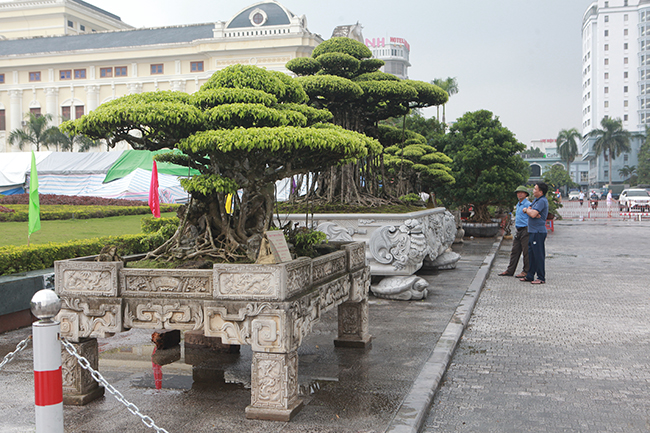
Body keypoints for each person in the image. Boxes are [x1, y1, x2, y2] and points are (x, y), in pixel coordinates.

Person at [498, 186, 531, 277]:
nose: (519, 194)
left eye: (521, 192)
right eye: (518, 192)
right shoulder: (518, 204)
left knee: (526, 252)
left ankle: (526, 271)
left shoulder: (528, 204)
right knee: (514, 251)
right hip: (518, 229)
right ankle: (510, 270)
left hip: (526, 229)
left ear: (525, 194)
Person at [520, 182, 549, 284]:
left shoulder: (542, 201)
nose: (533, 190)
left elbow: (532, 213)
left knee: (538, 255)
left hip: (538, 232)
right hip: (532, 231)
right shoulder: (536, 200)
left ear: (540, 192)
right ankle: (530, 275)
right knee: (531, 255)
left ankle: (541, 277)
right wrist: (530, 211)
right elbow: (531, 212)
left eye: (535, 189)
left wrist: (527, 210)